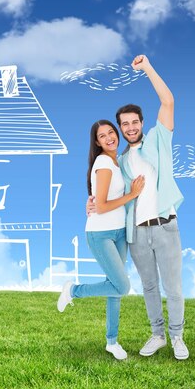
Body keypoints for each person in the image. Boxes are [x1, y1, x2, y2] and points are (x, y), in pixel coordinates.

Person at [88, 54, 189, 360]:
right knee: (148, 287)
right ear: (119, 129)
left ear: (142, 123)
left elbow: (168, 101)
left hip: (165, 225)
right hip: (136, 234)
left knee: (173, 287)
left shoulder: (159, 139)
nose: (130, 127)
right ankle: (157, 335)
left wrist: (146, 68)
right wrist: (92, 199)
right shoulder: (118, 162)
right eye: (124, 124)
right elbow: (105, 188)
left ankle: (177, 337)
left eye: (134, 122)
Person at [57, 119, 144, 361]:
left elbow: (97, 197)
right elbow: (103, 206)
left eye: (111, 132)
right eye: (102, 136)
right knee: (123, 286)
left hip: (119, 233)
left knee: (114, 290)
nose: (109, 138)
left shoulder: (117, 161)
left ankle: (111, 342)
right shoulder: (104, 162)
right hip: (100, 234)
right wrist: (132, 195)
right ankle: (74, 290)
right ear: (97, 142)